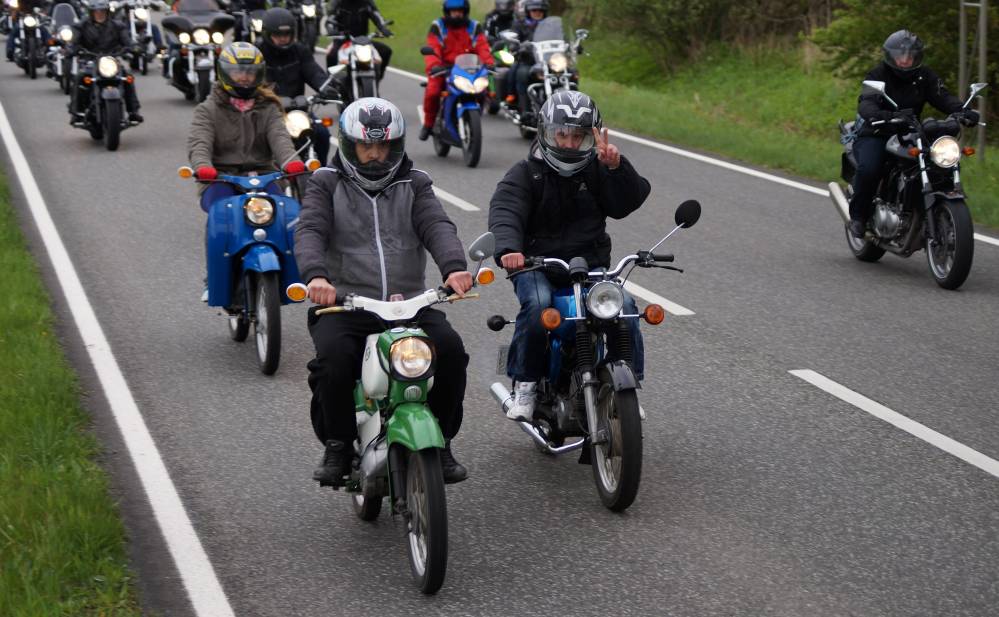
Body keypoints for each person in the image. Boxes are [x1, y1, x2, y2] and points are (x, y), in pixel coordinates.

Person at [294, 97, 472, 486]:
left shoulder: (416, 183)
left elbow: (437, 226)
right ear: (349, 144)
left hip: (409, 305)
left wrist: (455, 268)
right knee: (334, 360)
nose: (375, 155)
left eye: (384, 147)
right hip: (344, 305)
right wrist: (316, 277)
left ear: (396, 146)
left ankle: (440, 442)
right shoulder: (326, 183)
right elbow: (310, 230)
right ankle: (338, 445)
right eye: (366, 146)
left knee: (453, 353)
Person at [487, 91, 651, 421]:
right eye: (562, 134)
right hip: (537, 265)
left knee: (627, 308)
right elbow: (505, 212)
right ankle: (527, 383)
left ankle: (627, 388)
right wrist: (509, 250)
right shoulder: (525, 173)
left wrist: (616, 167)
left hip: (589, 266)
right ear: (546, 132)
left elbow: (626, 204)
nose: (570, 143)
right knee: (537, 306)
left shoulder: (597, 169)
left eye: (578, 136)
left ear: (591, 136)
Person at [848, 30, 979, 239]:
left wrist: (962, 110)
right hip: (878, 131)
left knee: (939, 163)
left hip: (911, 131)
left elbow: (943, 97)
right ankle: (859, 216)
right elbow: (867, 102)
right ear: (891, 56)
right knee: (870, 168)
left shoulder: (924, 76)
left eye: (910, 56)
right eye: (901, 56)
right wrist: (880, 115)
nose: (905, 60)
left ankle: (928, 208)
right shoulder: (878, 75)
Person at [259, 7, 334, 164]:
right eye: (278, 35)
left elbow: (313, 72)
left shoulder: (300, 50)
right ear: (267, 34)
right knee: (257, 141)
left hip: (298, 110)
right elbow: (255, 83)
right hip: (267, 111)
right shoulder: (258, 53)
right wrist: (265, 97)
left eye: (286, 34)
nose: (283, 38)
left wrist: (326, 87)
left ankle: (320, 174)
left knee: (321, 134)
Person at [419, 0, 494, 141]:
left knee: (484, 89)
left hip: (470, 67)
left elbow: (482, 46)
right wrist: (434, 65)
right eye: (454, 11)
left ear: (465, 12)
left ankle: (474, 118)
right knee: (433, 91)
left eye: (460, 11)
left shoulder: (474, 26)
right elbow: (433, 46)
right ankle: (428, 125)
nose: (457, 14)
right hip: (444, 68)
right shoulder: (438, 26)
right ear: (447, 12)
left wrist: (489, 63)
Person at [67, 0, 143, 124]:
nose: (99, 14)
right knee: (79, 78)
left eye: (102, 11)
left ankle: (133, 111)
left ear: (107, 12)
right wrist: (71, 49)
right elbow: (74, 42)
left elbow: (127, 41)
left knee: (127, 77)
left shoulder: (118, 26)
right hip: (90, 60)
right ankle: (77, 112)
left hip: (111, 60)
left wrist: (134, 48)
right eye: (96, 11)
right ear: (91, 13)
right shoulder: (81, 26)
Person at [324, 0, 393, 81]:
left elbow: (376, 15)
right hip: (343, 39)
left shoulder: (367, 2)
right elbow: (330, 18)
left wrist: (383, 28)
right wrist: (331, 29)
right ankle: (331, 82)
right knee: (332, 55)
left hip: (362, 41)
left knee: (386, 51)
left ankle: (377, 78)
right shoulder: (338, 3)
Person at [505, 0, 547, 124]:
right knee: (522, 73)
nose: (537, 13)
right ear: (529, 11)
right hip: (529, 61)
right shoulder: (520, 25)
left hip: (549, 63)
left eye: (540, 11)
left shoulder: (550, 25)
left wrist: (572, 45)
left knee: (570, 72)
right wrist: (517, 46)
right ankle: (525, 110)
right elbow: (513, 39)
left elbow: (561, 38)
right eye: (534, 10)